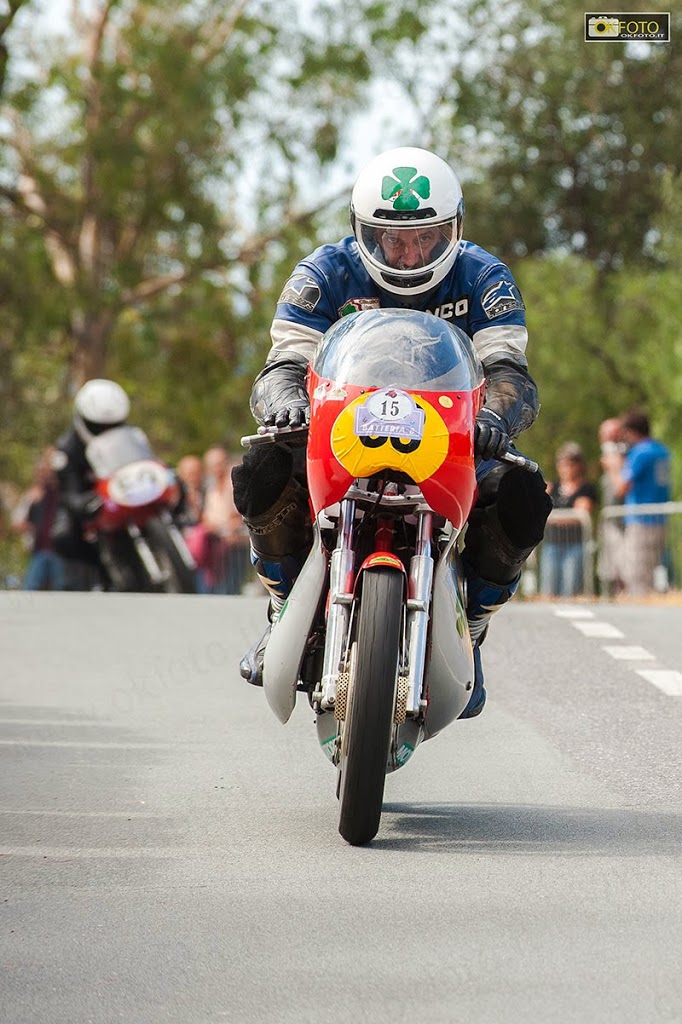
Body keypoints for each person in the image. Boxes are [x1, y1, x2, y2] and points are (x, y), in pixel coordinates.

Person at [232, 146, 552, 717]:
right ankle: (283, 605)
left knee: (524, 497)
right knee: (259, 469)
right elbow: (282, 364)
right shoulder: (322, 273)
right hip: (340, 436)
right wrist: (284, 405)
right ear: (363, 233)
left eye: (427, 237)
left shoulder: (486, 277)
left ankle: (471, 623)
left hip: (449, 441)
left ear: (453, 228)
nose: (410, 253)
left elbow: (509, 372)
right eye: (392, 239)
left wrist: (497, 418)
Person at [51, 378, 131, 590]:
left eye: (112, 425)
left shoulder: (131, 437)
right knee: (63, 535)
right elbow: (68, 489)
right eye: (99, 426)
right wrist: (80, 503)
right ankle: (94, 576)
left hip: (126, 496)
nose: (106, 430)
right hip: (92, 505)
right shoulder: (67, 449)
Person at [607, 409, 671, 596]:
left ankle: (638, 611)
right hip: (660, 519)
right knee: (648, 572)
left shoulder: (640, 453)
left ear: (631, 431)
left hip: (641, 520)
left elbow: (621, 487)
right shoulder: (661, 450)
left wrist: (613, 467)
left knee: (635, 575)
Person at [540, 442, 597, 597]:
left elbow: (581, 514)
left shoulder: (586, 488)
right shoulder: (552, 486)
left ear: (579, 465)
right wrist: (564, 516)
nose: (567, 467)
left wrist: (553, 517)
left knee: (570, 588)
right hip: (552, 544)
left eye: (571, 463)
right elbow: (540, 509)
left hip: (575, 545)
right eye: (563, 463)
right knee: (549, 588)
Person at [11, 447, 65, 591]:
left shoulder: (61, 492)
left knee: (62, 589)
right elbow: (16, 522)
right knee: (32, 588)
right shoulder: (33, 496)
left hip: (60, 552)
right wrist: (31, 527)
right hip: (39, 551)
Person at [200, 446, 250, 594]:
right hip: (215, 545)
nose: (217, 468)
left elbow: (240, 513)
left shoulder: (235, 484)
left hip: (235, 543)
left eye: (220, 463)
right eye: (213, 465)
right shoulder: (210, 487)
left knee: (232, 586)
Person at [597, 417, 626, 597]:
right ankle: (615, 594)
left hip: (622, 517)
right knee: (610, 564)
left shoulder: (622, 452)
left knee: (623, 560)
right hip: (609, 516)